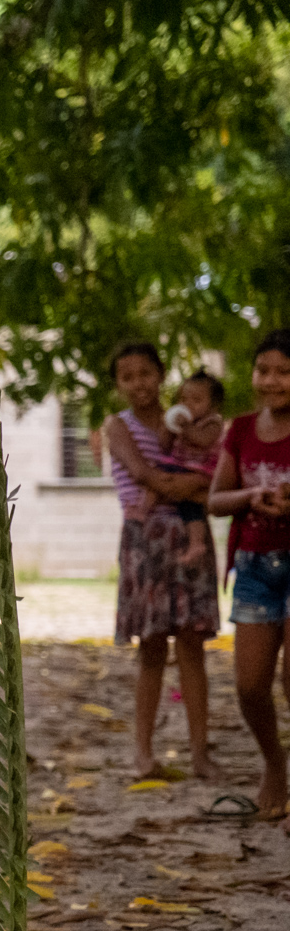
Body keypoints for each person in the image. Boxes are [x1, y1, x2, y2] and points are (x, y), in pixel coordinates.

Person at [103, 342, 220, 781]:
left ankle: (199, 754)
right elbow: (142, 474)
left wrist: (194, 488)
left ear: (161, 374)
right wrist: (188, 486)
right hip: (144, 542)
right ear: (118, 384)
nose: (138, 384)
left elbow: (215, 477)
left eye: (145, 374)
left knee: (192, 645)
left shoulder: (186, 421)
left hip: (189, 538)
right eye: (127, 376)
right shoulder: (118, 426)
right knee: (151, 648)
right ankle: (143, 752)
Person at [207, 328, 290, 822]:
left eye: (283, 371)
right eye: (264, 371)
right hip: (256, 567)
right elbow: (215, 500)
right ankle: (274, 764)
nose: (272, 380)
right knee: (250, 687)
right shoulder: (238, 430)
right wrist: (250, 498)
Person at [132, 371, 225, 568]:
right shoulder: (183, 422)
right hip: (178, 467)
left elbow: (203, 440)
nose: (188, 404)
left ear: (213, 405)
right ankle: (142, 510)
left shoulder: (213, 423)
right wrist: (167, 427)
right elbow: (164, 446)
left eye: (197, 400)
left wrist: (186, 427)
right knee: (157, 475)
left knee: (193, 508)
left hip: (200, 471)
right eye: (183, 399)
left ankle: (197, 543)